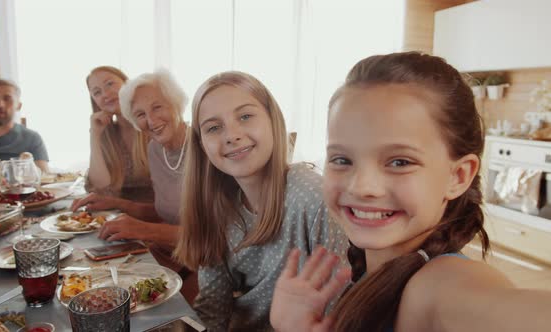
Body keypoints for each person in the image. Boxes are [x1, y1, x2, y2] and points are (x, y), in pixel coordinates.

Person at [270, 52, 551, 332]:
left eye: (399, 162)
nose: (361, 187)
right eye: (342, 160)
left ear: (458, 176)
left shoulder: (438, 287)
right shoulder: (374, 274)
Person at [174, 71, 348, 331]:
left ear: (272, 119)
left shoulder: (313, 197)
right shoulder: (217, 206)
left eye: (245, 116)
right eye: (213, 127)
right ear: (201, 145)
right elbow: (212, 308)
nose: (231, 135)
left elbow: (335, 311)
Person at [72, 69, 197, 302]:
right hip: (167, 249)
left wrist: (144, 230)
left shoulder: (202, 148)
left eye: (157, 107)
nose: (151, 120)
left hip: (203, 263)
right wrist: (116, 204)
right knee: (96, 283)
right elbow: (165, 211)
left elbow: (215, 239)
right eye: (140, 114)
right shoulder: (156, 148)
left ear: (176, 103)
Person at [84, 66, 153, 202]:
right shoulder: (106, 135)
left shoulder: (153, 125)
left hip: (157, 216)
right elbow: (101, 190)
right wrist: (94, 135)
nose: (105, 94)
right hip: (119, 215)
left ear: (127, 84)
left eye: (110, 84)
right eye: (97, 92)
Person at [0, 78, 49, 172]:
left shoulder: (32, 138)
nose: (0, 104)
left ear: (18, 106)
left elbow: (44, 178)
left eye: (7, 99)